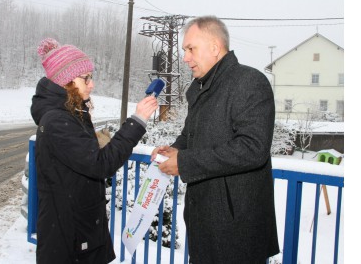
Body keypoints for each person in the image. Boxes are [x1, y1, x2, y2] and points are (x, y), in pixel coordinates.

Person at [151, 16, 279, 263]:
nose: (186, 57)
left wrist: (185, 162)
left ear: (214, 47)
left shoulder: (249, 82)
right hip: (204, 221)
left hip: (236, 228)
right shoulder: (199, 88)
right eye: (184, 50)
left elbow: (253, 148)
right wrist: (175, 149)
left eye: (190, 49)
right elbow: (190, 135)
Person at [31, 38, 158, 264]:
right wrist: (137, 121)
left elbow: (82, 157)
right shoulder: (59, 121)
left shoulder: (70, 112)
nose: (92, 84)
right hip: (69, 238)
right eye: (86, 78)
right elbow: (100, 165)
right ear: (66, 81)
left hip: (76, 230)